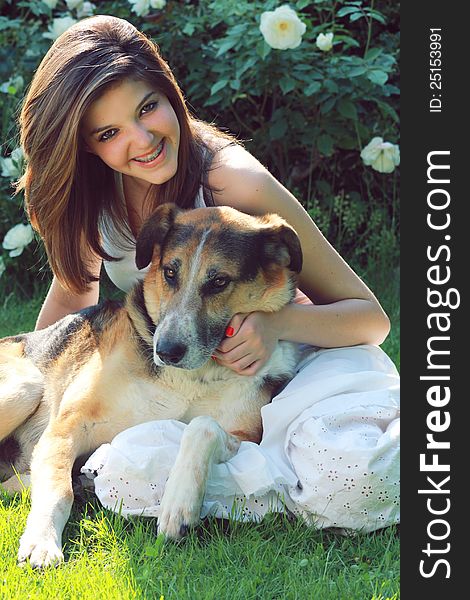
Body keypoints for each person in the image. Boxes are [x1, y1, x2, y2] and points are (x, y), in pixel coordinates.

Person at [17, 15, 400, 532]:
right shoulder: (96, 194)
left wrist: (278, 325)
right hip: (200, 376)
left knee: (352, 477)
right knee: (132, 460)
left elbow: (370, 320)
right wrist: (38, 404)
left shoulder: (233, 182)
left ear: (169, 93)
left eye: (148, 108)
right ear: (85, 144)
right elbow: (70, 308)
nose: (141, 140)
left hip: (300, 360)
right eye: (110, 133)